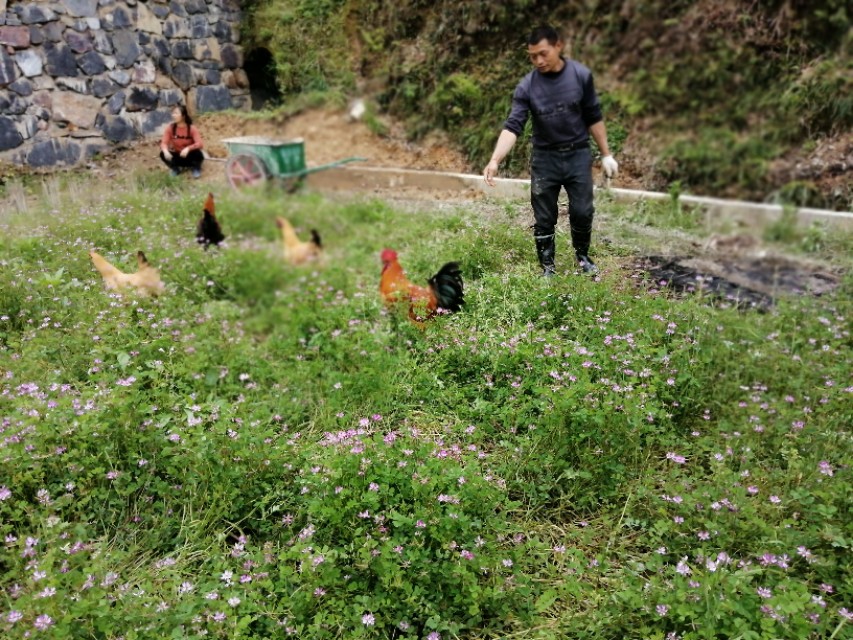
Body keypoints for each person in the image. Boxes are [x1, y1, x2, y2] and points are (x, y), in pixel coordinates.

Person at [483, 25, 619, 276]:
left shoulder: (580, 76)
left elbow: (594, 116)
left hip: (578, 154)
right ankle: (547, 267)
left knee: (582, 211)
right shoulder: (527, 86)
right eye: (532, 56)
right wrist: (495, 159)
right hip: (545, 159)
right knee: (544, 216)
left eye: (543, 53)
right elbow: (513, 126)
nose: (538, 60)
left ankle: (583, 257)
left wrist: (606, 153)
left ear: (559, 46)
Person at [160, 105, 205, 178]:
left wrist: (188, 148)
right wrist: (165, 151)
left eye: (176, 113)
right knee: (162, 153)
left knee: (198, 153)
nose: (173, 115)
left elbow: (200, 144)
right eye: (173, 113)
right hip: (178, 156)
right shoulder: (170, 128)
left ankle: (196, 168)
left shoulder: (191, 128)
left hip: (190, 156)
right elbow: (163, 143)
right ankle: (175, 169)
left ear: (183, 116)